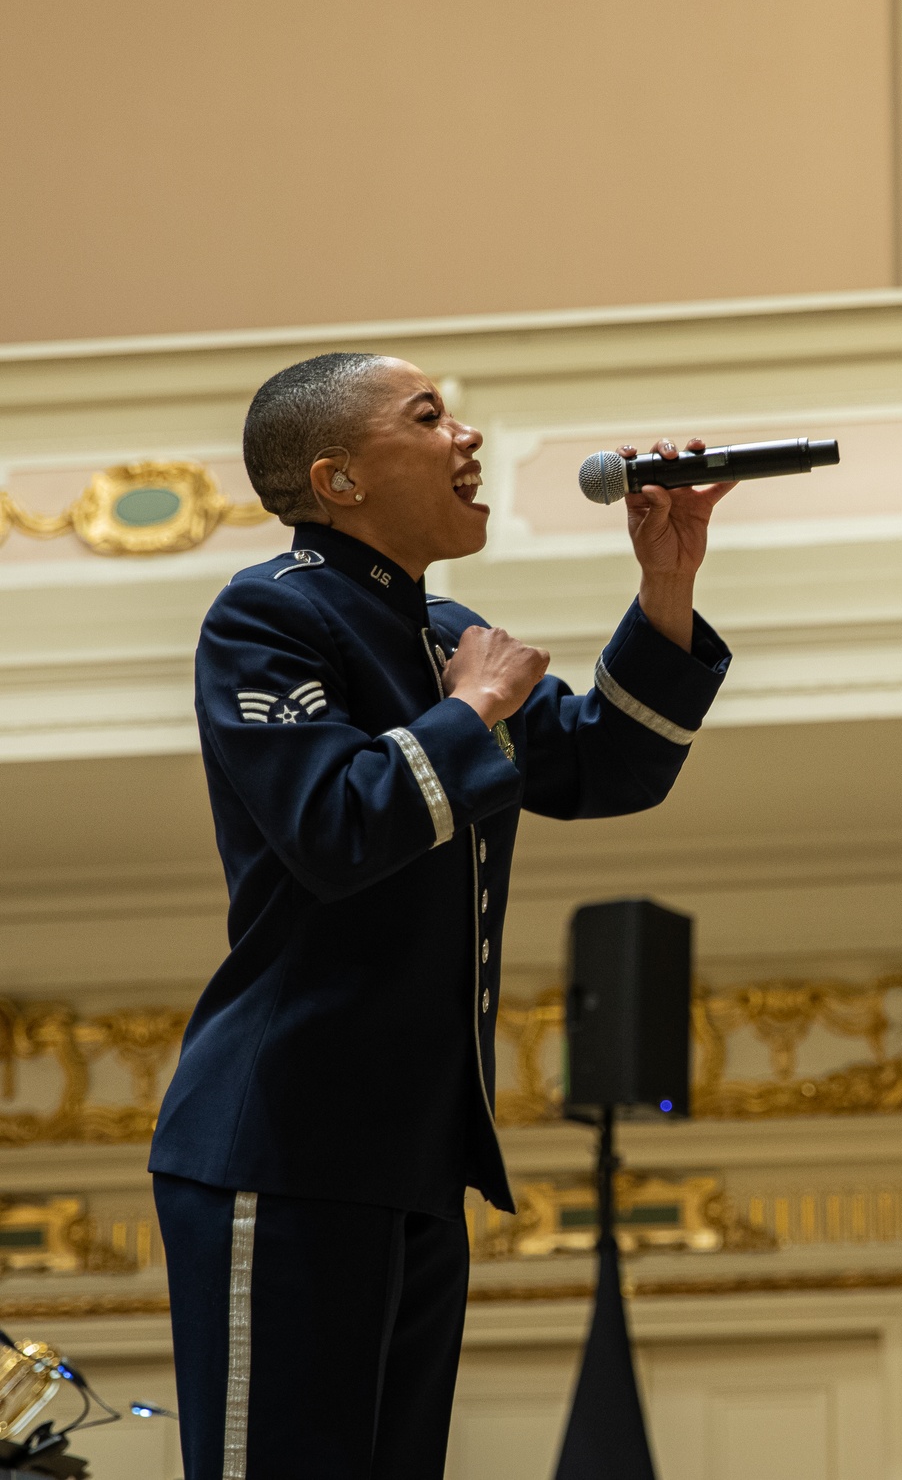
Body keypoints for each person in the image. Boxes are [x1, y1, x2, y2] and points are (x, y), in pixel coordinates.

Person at [149, 352, 734, 1480]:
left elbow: (608, 769)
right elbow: (333, 828)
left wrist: (667, 582)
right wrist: (472, 709)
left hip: (408, 1152)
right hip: (282, 1139)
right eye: (428, 417)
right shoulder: (267, 615)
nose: (467, 438)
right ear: (340, 479)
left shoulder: (444, 631)